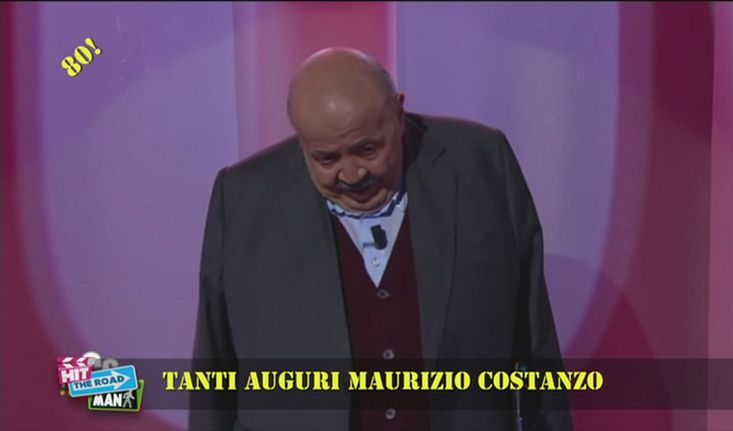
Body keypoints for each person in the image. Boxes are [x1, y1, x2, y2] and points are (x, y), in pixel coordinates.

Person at [190, 47, 572, 431]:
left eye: (368, 149)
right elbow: (213, 370)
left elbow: (535, 344)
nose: (352, 174)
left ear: (399, 114)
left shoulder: (482, 164)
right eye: (327, 159)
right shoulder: (241, 200)